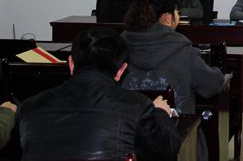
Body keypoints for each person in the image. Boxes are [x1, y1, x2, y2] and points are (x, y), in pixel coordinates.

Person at [16, 27, 180, 161]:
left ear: (71, 64)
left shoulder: (28, 108)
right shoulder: (137, 107)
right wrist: (160, 113)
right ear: (121, 71)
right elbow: (167, 151)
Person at [122, 0, 225, 161]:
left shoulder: (118, 48)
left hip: (126, 137)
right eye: (177, 11)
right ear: (167, 18)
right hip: (175, 139)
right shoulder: (184, 51)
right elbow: (213, 85)